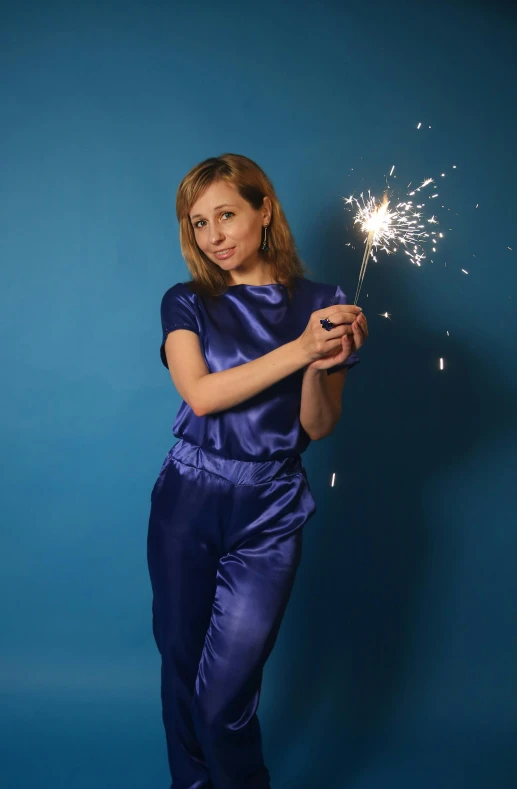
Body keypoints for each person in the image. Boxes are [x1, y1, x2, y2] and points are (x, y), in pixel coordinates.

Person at [147, 153, 368, 789]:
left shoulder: (325, 302)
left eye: (226, 215)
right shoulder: (186, 300)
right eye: (198, 223)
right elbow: (202, 396)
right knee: (181, 671)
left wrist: (320, 366)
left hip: (271, 508)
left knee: (225, 700)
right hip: (188, 496)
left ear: (263, 210)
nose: (214, 235)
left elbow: (319, 427)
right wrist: (301, 348)